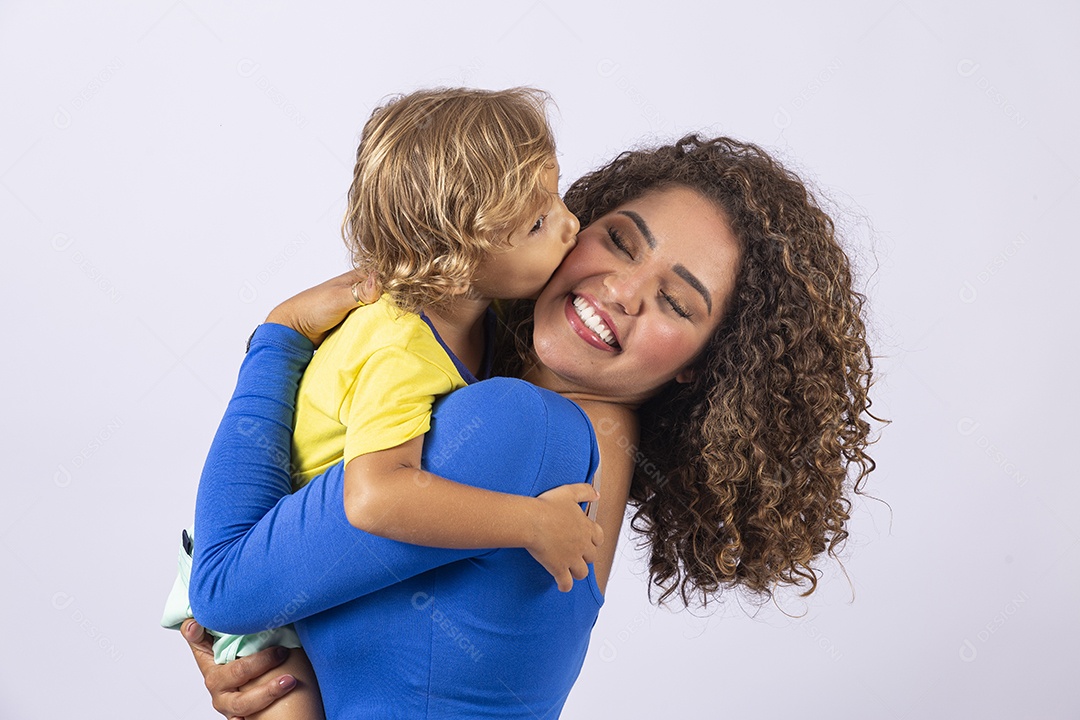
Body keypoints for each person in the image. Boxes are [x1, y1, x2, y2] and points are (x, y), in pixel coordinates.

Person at [185, 134, 879, 719]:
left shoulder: (520, 430)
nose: (621, 291)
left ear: (701, 366)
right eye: (619, 241)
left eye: (674, 300)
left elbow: (223, 585)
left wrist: (278, 335)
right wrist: (265, 665)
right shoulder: (545, 433)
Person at [163, 87, 594, 719]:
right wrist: (532, 523)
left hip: (316, 561)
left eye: (555, 197)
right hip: (259, 573)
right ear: (457, 256)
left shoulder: (489, 311)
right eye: (536, 223)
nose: (569, 223)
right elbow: (374, 497)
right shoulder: (401, 345)